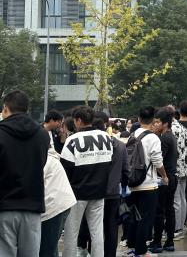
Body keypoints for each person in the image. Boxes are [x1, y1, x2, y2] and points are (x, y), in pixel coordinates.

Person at [0, 91, 49, 257]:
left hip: (4, 205)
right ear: (27, 109)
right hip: (33, 205)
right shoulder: (42, 134)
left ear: (6, 108)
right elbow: (41, 163)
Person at [60, 106, 113, 257]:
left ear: (78, 120)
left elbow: (65, 169)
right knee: (97, 232)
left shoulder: (72, 140)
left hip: (76, 193)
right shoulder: (106, 137)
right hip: (99, 191)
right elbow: (109, 162)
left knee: (71, 233)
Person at [126, 106, 169, 257]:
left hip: (132, 183)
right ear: (153, 121)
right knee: (145, 219)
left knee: (134, 217)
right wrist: (164, 176)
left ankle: (132, 248)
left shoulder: (132, 135)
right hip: (148, 184)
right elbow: (157, 161)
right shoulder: (153, 138)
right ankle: (141, 251)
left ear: (138, 119)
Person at [95, 112, 129, 257]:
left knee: (94, 228)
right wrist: (123, 188)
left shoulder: (92, 146)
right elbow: (126, 170)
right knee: (112, 227)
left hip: (94, 193)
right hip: (114, 192)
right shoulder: (120, 146)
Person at [149, 107, 178, 253]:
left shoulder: (164, 138)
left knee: (159, 211)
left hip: (164, 178)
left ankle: (157, 242)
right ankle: (169, 241)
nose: (155, 125)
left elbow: (158, 161)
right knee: (169, 210)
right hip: (172, 177)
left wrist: (163, 176)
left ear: (165, 123)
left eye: (158, 122)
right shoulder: (171, 136)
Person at [40, 144, 77, 257]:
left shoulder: (44, 159)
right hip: (60, 203)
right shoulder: (46, 155)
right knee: (50, 245)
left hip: (54, 206)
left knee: (47, 247)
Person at [172, 107, 187, 238]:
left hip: (176, 168)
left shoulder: (173, 129)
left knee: (176, 199)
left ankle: (176, 228)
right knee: (182, 197)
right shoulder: (183, 128)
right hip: (185, 167)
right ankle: (181, 225)